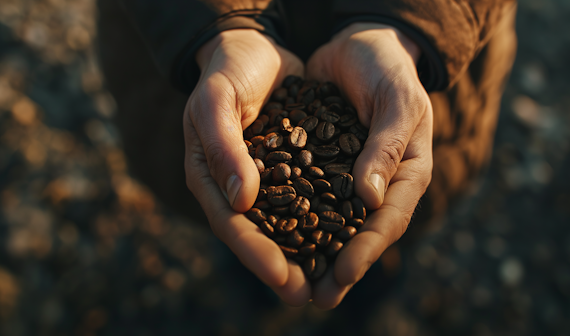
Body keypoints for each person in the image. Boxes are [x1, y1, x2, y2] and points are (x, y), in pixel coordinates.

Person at [97, 0, 517, 309]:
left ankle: (367, 294)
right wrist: (221, 25)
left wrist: (403, 25)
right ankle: (254, 285)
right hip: (186, 40)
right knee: (229, 187)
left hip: (430, 52)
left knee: (387, 226)